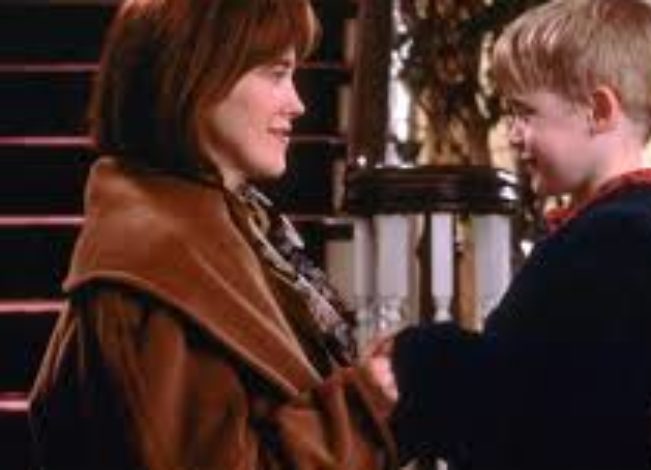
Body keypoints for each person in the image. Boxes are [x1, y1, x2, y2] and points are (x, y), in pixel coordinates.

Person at [28, 1, 398, 469]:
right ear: (197, 76)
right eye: (276, 73)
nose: (298, 103)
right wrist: (365, 406)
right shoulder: (155, 272)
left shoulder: (239, 227)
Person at [387, 0, 651, 469]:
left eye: (525, 113)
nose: (514, 134)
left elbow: (509, 403)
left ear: (598, 110)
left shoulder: (609, 242)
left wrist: (416, 355)